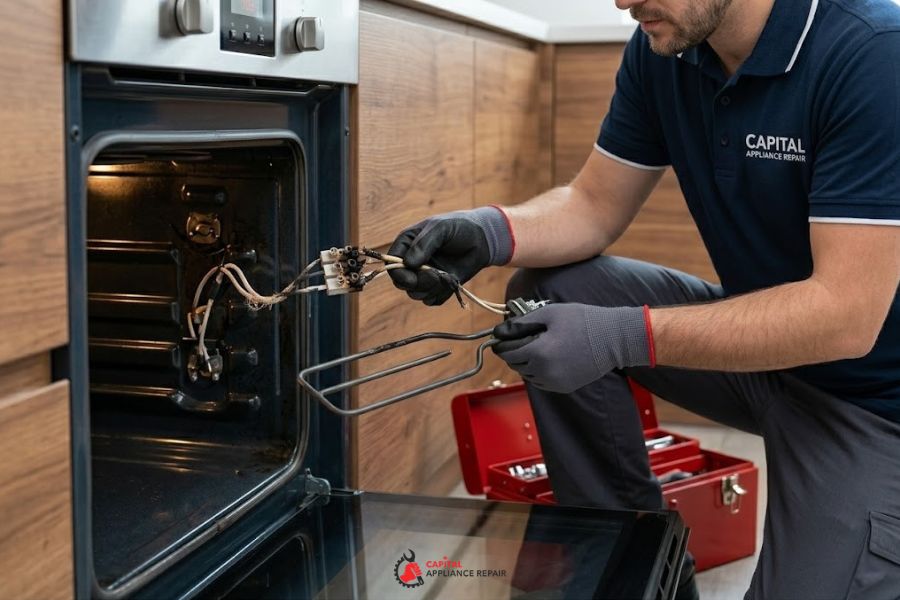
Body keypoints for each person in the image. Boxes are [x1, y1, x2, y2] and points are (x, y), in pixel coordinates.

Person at [388, 0, 900, 598]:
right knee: (550, 287)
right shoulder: (671, 42)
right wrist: (488, 232)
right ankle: (631, 566)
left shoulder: (873, 55)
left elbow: (845, 318)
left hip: (875, 404)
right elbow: (594, 204)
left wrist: (619, 336)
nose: (621, 0)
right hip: (768, 364)